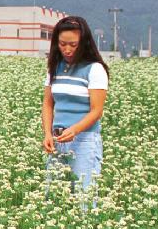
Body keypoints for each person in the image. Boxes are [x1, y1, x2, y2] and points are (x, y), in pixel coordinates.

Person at [42, 16, 109, 208]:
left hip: (84, 140)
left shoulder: (94, 69)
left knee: (83, 200)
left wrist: (75, 130)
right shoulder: (55, 67)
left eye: (73, 44)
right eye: (62, 44)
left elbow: (96, 111)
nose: (67, 49)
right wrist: (47, 133)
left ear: (84, 43)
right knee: (53, 198)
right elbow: (48, 104)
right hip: (58, 139)